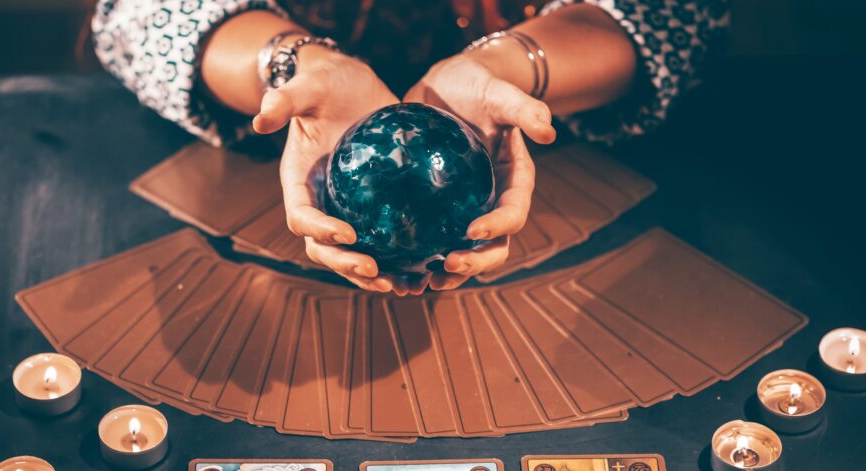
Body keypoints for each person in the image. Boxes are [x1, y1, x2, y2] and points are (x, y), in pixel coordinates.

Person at [93, 1, 729, 294]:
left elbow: (675, 12)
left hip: (571, 144)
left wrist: (507, 69)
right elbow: (137, 15)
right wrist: (295, 66)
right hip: (251, 147)